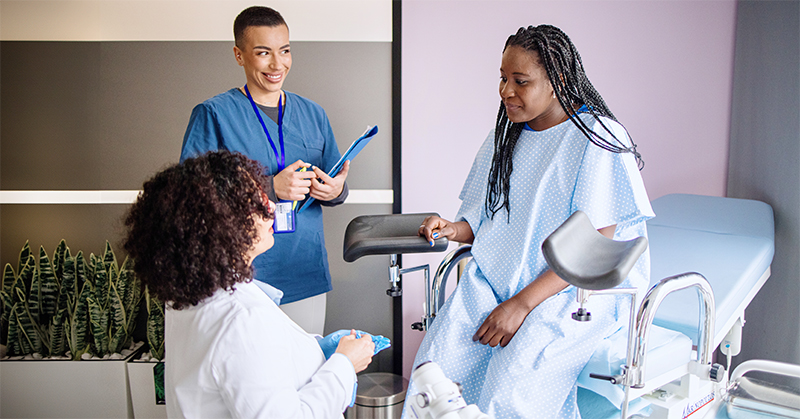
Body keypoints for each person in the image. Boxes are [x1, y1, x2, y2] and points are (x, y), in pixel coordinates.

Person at [404, 25, 654, 419]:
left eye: (520, 81)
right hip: (495, 280)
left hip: (572, 292)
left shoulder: (598, 139)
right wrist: (453, 229)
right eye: (503, 78)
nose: (506, 91)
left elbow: (594, 254)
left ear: (557, 82)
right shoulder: (504, 138)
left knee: (511, 394)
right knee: (435, 372)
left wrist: (521, 304)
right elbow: (481, 219)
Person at [123, 151, 375, 418]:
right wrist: (344, 365)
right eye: (254, 204)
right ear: (220, 227)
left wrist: (314, 350)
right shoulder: (243, 320)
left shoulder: (189, 296)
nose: (270, 208)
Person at [180, 6, 348, 335]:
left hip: (304, 274)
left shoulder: (314, 114)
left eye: (285, 51)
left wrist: (335, 191)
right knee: (250, 381)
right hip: (241, 279)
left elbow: (337, 184)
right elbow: (190, 196)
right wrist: (270, 188)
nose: (277, 64)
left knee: (306, 376)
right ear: (239, 55)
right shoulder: (213, 114)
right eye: (263, 53)